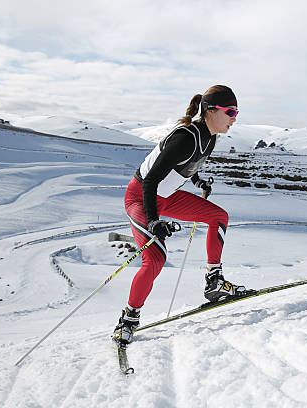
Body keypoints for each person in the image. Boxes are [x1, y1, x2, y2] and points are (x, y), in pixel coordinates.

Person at [113, 85, 251, 344]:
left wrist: (198, 182)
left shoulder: (209, 137)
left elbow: (189, 164)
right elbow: (150, 179)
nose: (234, 118)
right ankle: (128, 320)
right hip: (141, 198)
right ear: (211, 111)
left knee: (218, 217)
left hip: (166, 198)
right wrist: (153, 221)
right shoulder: (185, 137)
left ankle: (214, 282)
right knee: (155, 259)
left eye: (236, 112)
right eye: (230, 111)